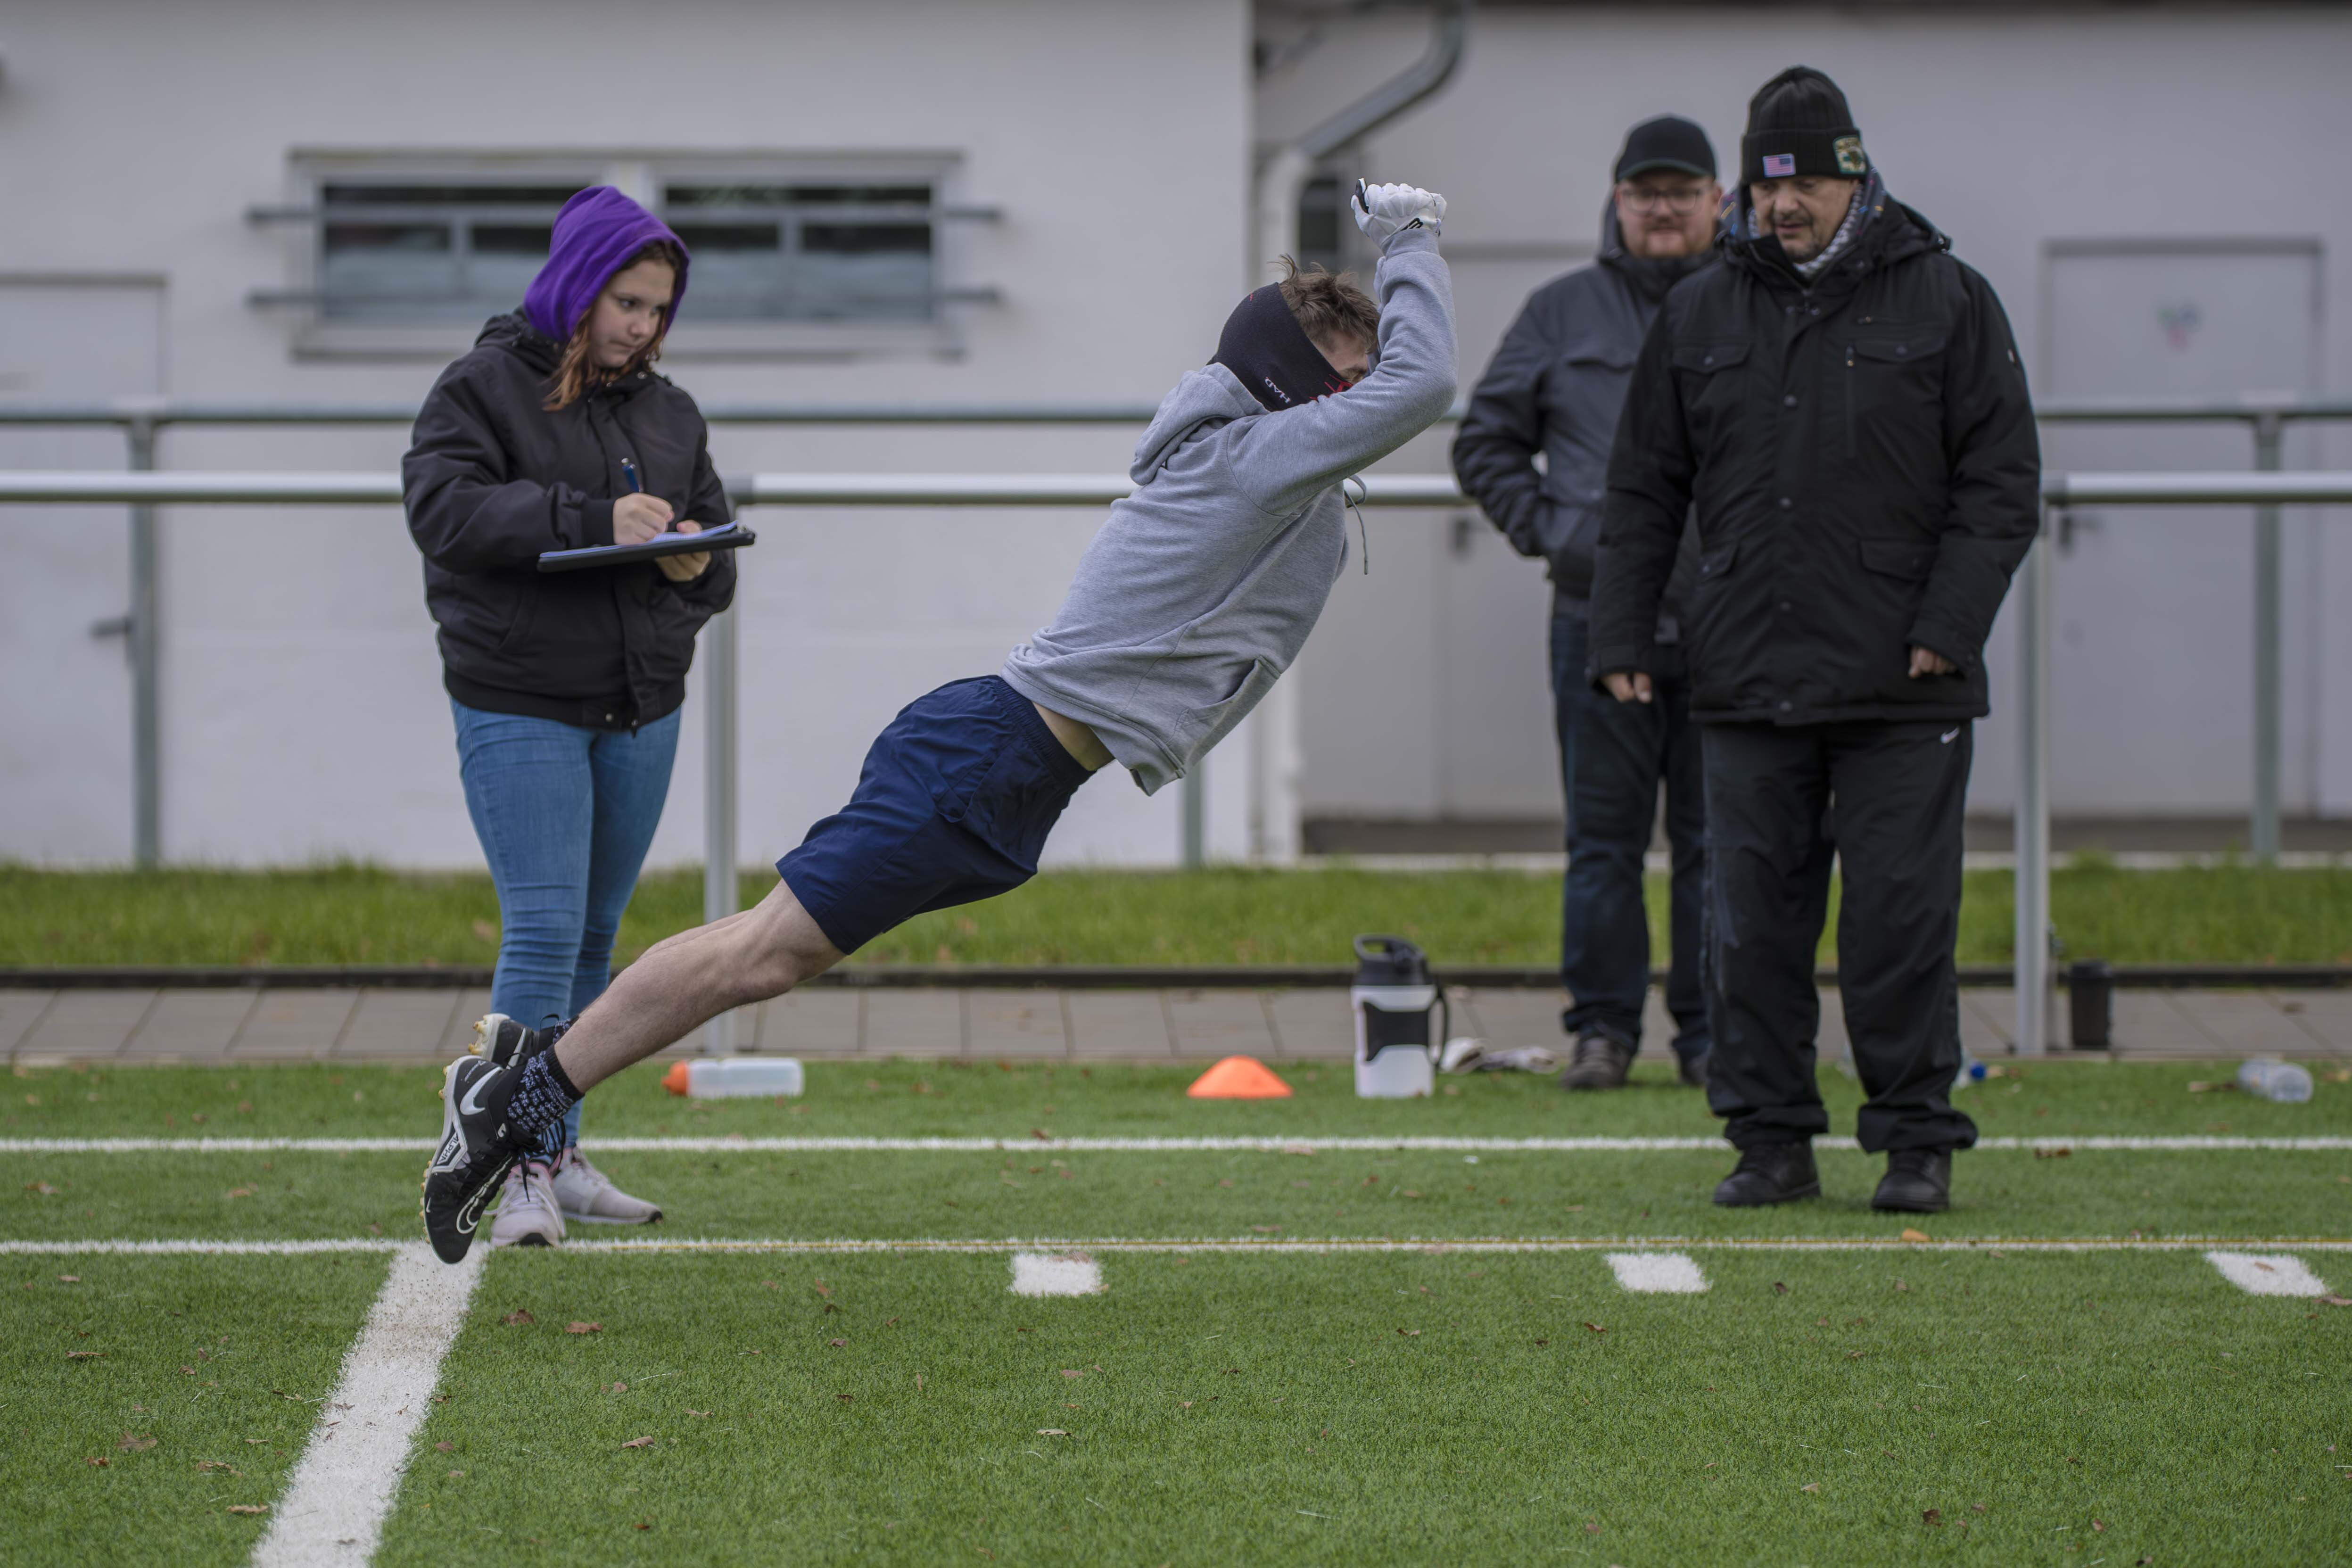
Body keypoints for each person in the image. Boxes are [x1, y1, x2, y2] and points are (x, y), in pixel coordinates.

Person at [419, 181, 1459, 1262]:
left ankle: (523, 1085)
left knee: (759, 944)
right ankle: (518, 1098)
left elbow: (1396, 389)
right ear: (1287, 384)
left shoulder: (1282, 468)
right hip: (986, 756)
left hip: (1011, 777)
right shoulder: (1249, 457)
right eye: (1340, 378)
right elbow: (1421, 381)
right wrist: (1410, 236)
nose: (1360, 400)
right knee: (763, 956)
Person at [1589, 67, 2038, 1213]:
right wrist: (1622, 630)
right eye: (1764, 186)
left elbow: (1999, 484)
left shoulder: (1949, 298)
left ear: (1854, 178)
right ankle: (1770, 1139)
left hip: (1905, 684)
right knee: (1749, 929)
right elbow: (1642, 487)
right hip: (1744, 676)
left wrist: (1948, 626)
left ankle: (1912, 1141)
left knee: (1899, 924)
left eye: (1804, 186)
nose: (1781, 208)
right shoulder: (1698, 309)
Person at [404, 187, 735, 1247]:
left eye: (658, 308)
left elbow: (714, 559)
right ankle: (514, 1165)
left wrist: (690, 561)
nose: (641, 325)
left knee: (597, 941)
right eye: (625, 300)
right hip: (519, 698)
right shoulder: (479, 389)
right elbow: (442, 513)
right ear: (576, 286)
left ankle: (560, 1151)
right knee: (544, 932)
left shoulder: (671, 412)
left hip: (641, 704)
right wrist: (591, 519)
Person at [1452, 115, 1719, 1093]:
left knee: (1718, 844)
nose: (1661, 208)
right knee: (1601, 845)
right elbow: (1482, 440)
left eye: (1681, 192)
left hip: (1729, 624)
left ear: (1715, 203)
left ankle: (1711, 1036)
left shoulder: (1753, 304)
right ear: (1617, 202)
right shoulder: (1560, 311)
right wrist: (1557, 536)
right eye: (1644, 192)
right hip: (1595, 620)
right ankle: (1602, 1032)